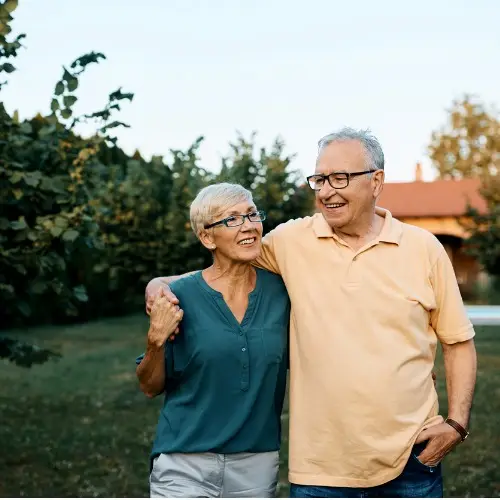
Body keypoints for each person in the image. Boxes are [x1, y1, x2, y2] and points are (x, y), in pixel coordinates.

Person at [146, 128, 477, 498]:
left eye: (340, 178)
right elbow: (224, 267)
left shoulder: (423, 249)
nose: (326, 191)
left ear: (376, 181)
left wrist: (457, 423)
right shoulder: (291, 241)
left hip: (413, 457)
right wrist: (158, 284)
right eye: (320, 179)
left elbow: (458, 341)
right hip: (321, 471)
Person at [136, 182, 290, 498]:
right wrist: (156, 341)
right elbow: (149, 386)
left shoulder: (283, 293)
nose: (248, 226)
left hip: (256, 464)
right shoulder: (180, 297)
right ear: (207, 237)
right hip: (185, 461)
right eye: (231, 219)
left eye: (251, 214)